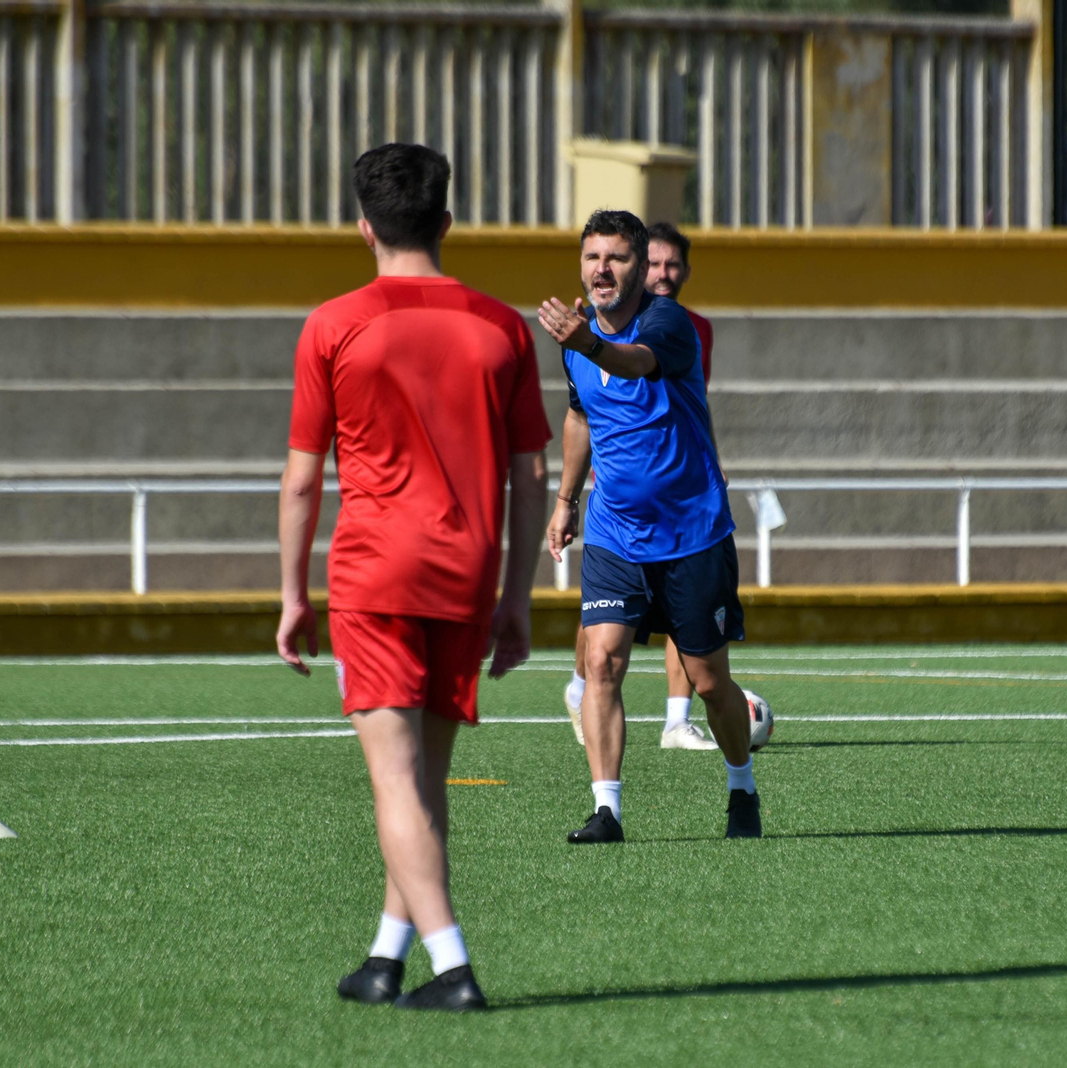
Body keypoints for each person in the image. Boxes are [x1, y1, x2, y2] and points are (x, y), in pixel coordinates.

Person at [278, 143, 551, 1011]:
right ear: (447, 221)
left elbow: (301, 480)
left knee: (396, 782)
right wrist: (516, 599)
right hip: (467, 573)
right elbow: (531, 476)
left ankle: (454, 967)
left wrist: (291, 596)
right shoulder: (502, 326)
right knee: (425, 781)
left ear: (364, 227)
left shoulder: (333, 324)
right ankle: (385, 959)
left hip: (377, 573)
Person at [538, 209, 762, 844]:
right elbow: (580, 416)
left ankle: (742, 787)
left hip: (692, 533)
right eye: (592, 257)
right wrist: (565, 500)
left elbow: (635, 363)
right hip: (614, 531)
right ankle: (606, 810)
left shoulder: (668, 323)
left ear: (640, 268)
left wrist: (585, 342)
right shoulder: (578, 336)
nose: (602, 269)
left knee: (710, 682)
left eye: (617, 257)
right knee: (602, 661)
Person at [561, 221, 719, 752]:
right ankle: (582, 692)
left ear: (687, 271)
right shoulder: (586, 329)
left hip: (682, 506)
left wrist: (711, 461)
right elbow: (580, 413)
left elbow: (684, 398)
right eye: (654, 264)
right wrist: (566, 500)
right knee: (604, 638)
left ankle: (680, 723)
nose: (663, 274)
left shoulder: (682, 325)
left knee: (695, 646)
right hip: (617, 505)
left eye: (672, 265)